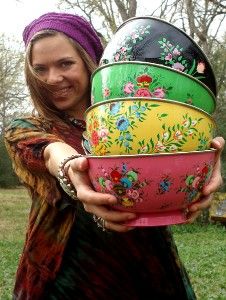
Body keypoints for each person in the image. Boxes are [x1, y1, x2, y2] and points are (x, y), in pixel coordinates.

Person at [4, 12, 224, 300]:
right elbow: (46, 151)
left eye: (65, 63)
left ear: (88, 61)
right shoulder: (27, 127)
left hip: (148, 268)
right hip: (67, 277)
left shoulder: (140, 120)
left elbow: (179, 148)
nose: (53, 78)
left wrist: (203, 164)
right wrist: (73, 168)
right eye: (40, 69)